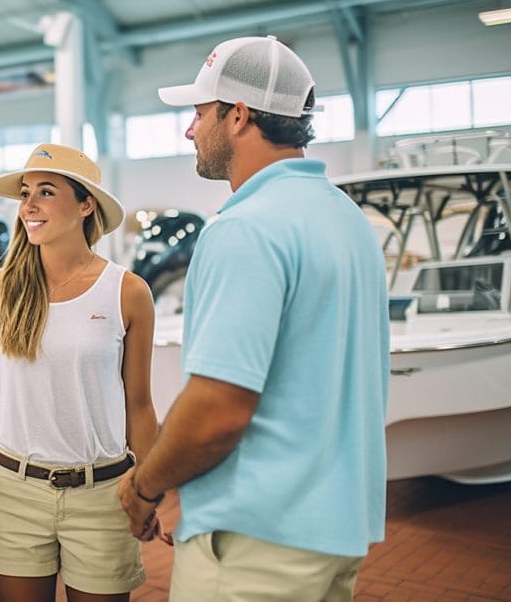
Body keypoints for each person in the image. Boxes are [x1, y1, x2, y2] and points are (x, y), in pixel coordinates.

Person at [117, 35, 390, 601]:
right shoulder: (347, 221)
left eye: (198, 113)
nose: (190, 130)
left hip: (255, 542)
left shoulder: (244, 227)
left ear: (237, 115)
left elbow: (218, 408)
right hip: (336, 532)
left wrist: (144, 488)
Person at [0, 143, 159, 602]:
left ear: (86, 205)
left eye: (46, 192)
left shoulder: (127, 292)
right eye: (24, 194)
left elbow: (138, 402)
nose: (29, 206)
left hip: (101, 491)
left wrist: (150, 489)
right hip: (14, 490)